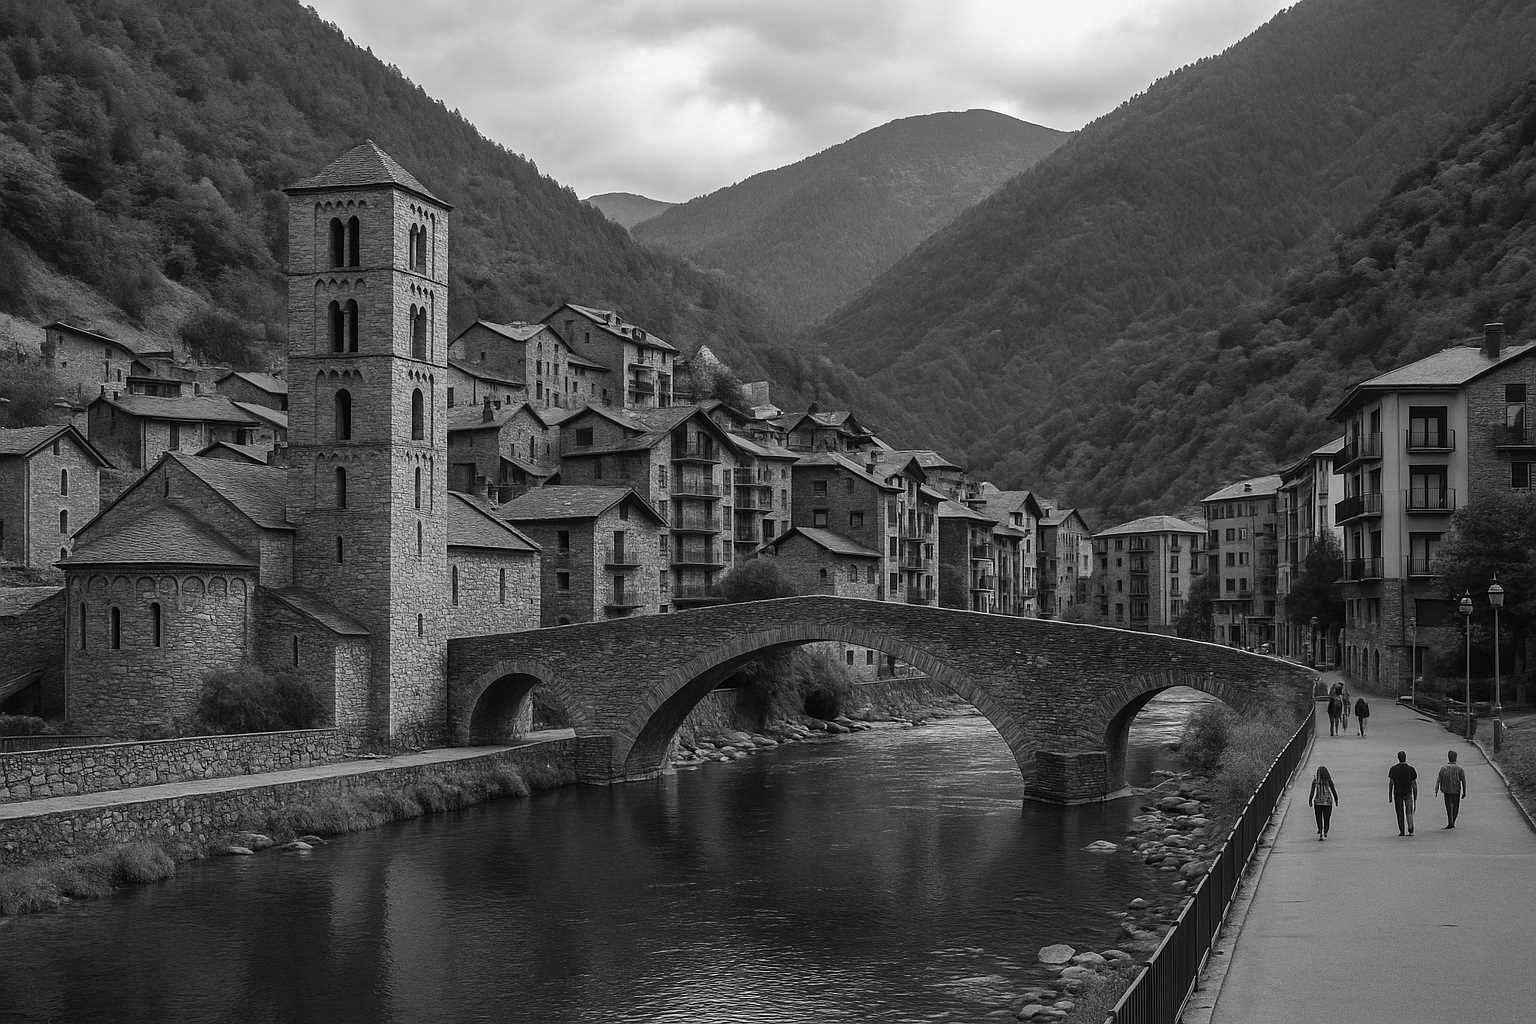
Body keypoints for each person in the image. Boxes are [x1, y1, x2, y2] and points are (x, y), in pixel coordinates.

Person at [1434, 750, 1468, 828]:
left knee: (1448, 807)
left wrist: (1437, 789)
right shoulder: (1459, 769)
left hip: (1447, 790)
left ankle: (1450, 821)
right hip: (1456, 790)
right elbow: (1463, 780)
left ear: (1448, 757)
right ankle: (1453, 821)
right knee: (1456, 806)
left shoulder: (1443, 768)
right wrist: (1464, 791)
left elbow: (1439, 779)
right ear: (1456, 758)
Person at [1388, 750, 1418, 836]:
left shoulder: (1393, 769)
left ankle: (1402, 831)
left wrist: (1390, 795)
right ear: (1405, 758)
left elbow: (1391, 783)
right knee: (1409, 811)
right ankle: (1410, 828)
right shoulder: (1411, 769)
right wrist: (1415, 797)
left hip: (1397, 794)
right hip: (1408, 793)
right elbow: (1414, 785)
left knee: (1399, 812)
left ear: (1398, 758)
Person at [1308, 765, 1340, 840]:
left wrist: (1310, 800)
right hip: (1328, 802)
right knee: (1327, 818)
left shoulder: (1315, 781)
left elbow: (1312, 791)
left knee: (1318, 818)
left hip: (1318, 802)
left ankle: (1320, 831)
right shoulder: (1328, 780)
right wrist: (1336, 799)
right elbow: (1333, 790)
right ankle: (1325, 831)